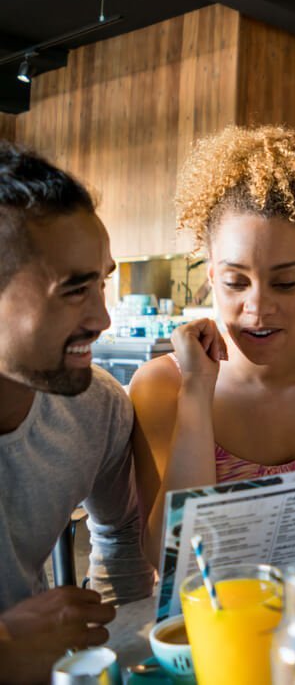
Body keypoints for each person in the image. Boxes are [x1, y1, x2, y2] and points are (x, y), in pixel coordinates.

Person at [130, 126, 295, 565]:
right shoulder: (162, 385)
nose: (258, 307)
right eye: (236, 281)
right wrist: (197, 392)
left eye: (285, 282)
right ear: (211, 277)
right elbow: (169, 556)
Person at [0, 143, 153, 682]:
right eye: (73, 290)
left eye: (102, 282)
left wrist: (129, 654)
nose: (102, 318)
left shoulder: (98, 407)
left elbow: (120, 541)